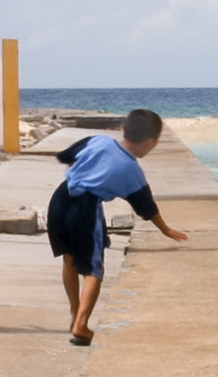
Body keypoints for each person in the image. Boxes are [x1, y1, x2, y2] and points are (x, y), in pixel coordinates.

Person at [47, 108, 188, 345]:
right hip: (86, 208)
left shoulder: (98, 141)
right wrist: (166, 230)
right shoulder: (131, 170)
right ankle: (81, 324)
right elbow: (147, 208)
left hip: (59, 200)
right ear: (151, 142)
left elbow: (68, 156)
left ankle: (75, 315)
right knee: (93, 269)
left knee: (69, 258)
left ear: (124, 130)